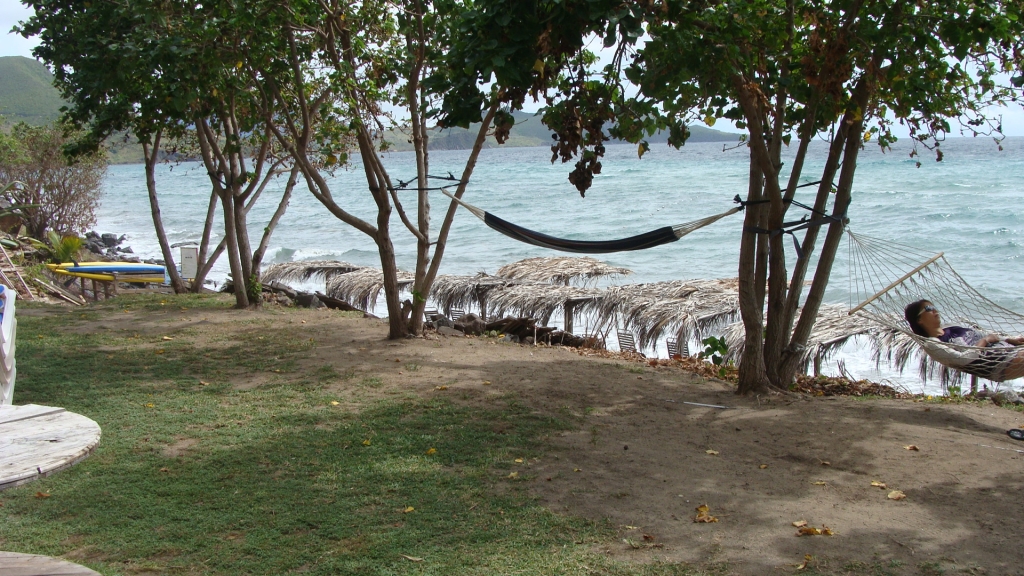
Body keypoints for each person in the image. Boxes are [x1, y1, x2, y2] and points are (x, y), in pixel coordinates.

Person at [904, 299, 1024, 381]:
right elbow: (962, 359)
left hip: (1008, 349)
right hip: (1000, 363)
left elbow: (985, 336)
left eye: (933, 306)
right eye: (928, 308)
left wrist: (1009, 340)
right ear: (919, 320)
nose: (934, 310)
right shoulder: (932, 343)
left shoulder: (952, 327)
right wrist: (985, 341)